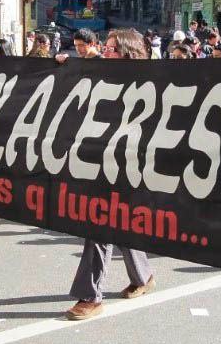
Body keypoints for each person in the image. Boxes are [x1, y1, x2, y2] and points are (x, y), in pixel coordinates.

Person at [66, 28, 155, 321]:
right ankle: (143, 276)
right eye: (105, 47)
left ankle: (90, 296)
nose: (106, 52)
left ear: (128, 53)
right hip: (101, 160)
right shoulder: (102, 73)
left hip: (128, 163)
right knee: (117, 221)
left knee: (100, 223)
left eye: (112, 48)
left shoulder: (147, 83)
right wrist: (62, 65)